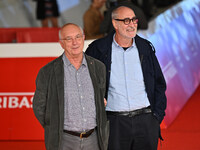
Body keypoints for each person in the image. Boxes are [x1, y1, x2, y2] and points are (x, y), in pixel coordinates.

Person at [85, 6, 167, 150]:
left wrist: (156, 117)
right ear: (115, 23)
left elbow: (159, 83)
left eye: (134, 20)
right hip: (114, 123)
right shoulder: (97, 49)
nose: (132, 24)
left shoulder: (145, 48)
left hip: (146, 121)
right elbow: (85, 83)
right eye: (126, 20)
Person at [33, 23, 109, 150]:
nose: (75, 42)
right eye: (69, 39)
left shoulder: (98, 67)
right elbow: (39, 106)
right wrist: (54, 127)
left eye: (78, 37)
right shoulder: (47, 71)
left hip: (94, 140)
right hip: (63, 141)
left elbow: (102, 98)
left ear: (84, 38)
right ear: (61, 43)